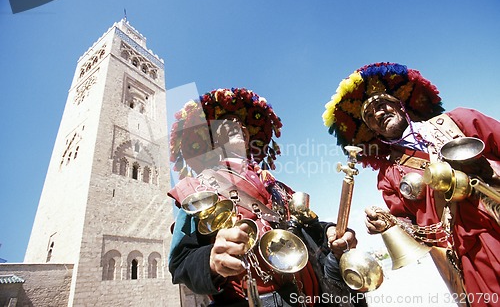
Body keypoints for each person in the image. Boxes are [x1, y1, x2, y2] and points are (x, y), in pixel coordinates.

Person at [322, 62, 500, 307]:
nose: (378, 114)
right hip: (471, 254)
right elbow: (409, 225)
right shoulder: (388, 176)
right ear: (373, 131)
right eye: (370, 117)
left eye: (381, 104)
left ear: (400, 104)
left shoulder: (457, 120)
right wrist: (386, 224)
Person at [168, 88, 366, 306]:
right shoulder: (196, 189)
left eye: (241, 123)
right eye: (226, 122)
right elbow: (180, 262)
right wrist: (211, 261)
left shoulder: (277, 187)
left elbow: (310, 229)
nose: (237, 125)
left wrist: (330, 231)